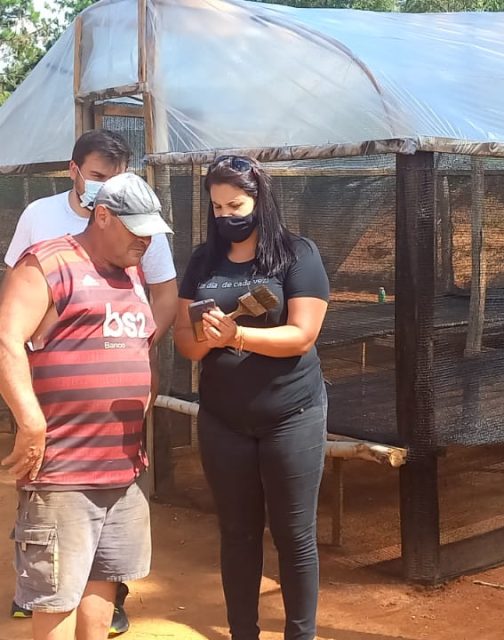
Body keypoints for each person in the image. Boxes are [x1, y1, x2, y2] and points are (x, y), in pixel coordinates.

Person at [4, 128, 178, 635]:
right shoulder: (48, 263)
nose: (145, 241)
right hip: (64, 470)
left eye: (150, 232)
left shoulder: (132, 273)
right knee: (56, 598)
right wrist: (31, 422)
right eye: (136, 230)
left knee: (105, 583)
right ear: (102, 216)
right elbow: (5, 339)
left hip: (121, 469)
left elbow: (138, 344)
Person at [174, 155, 330, 640]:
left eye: (235, 206)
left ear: (260, 200)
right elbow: (185, 342)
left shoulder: (297, 254)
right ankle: (243, 633)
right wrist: (207, 337)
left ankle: (300, 635)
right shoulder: (203, 260)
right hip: (224, 419)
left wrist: (236, 336)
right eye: (217, 207)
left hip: (292, 414)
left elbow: (302, 335)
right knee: (237, 533)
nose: (226, 216)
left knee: (294, 534)